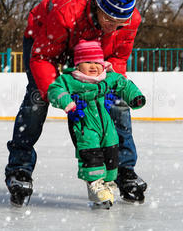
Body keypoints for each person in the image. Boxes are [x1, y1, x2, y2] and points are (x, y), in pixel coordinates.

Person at [5, 0, 148, 207]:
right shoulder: (66, 13)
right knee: (36, 100)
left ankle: (123, 169)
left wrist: (111, 88)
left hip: (94, 52)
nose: (114, 28)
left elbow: (118, 58)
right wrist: (58, 94)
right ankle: (19, 169)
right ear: (99, 7)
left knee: (117, 105)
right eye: (109, 19)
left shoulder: (129, 21)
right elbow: (42, 58)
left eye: (120, 23)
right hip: (46, 37)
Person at [47, 40, 146, 208]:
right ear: (78, 65)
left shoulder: (108, 77)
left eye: (97, 62)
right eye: (87, 62)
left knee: (111, 149)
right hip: (86, 124)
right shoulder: (71, 79)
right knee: (90, 151)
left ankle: (108, 182)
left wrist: (134, 97)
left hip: (107, 124)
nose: (93, 66)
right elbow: (54, 90)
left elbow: (123, 83)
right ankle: (94, 184)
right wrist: (67, 102)